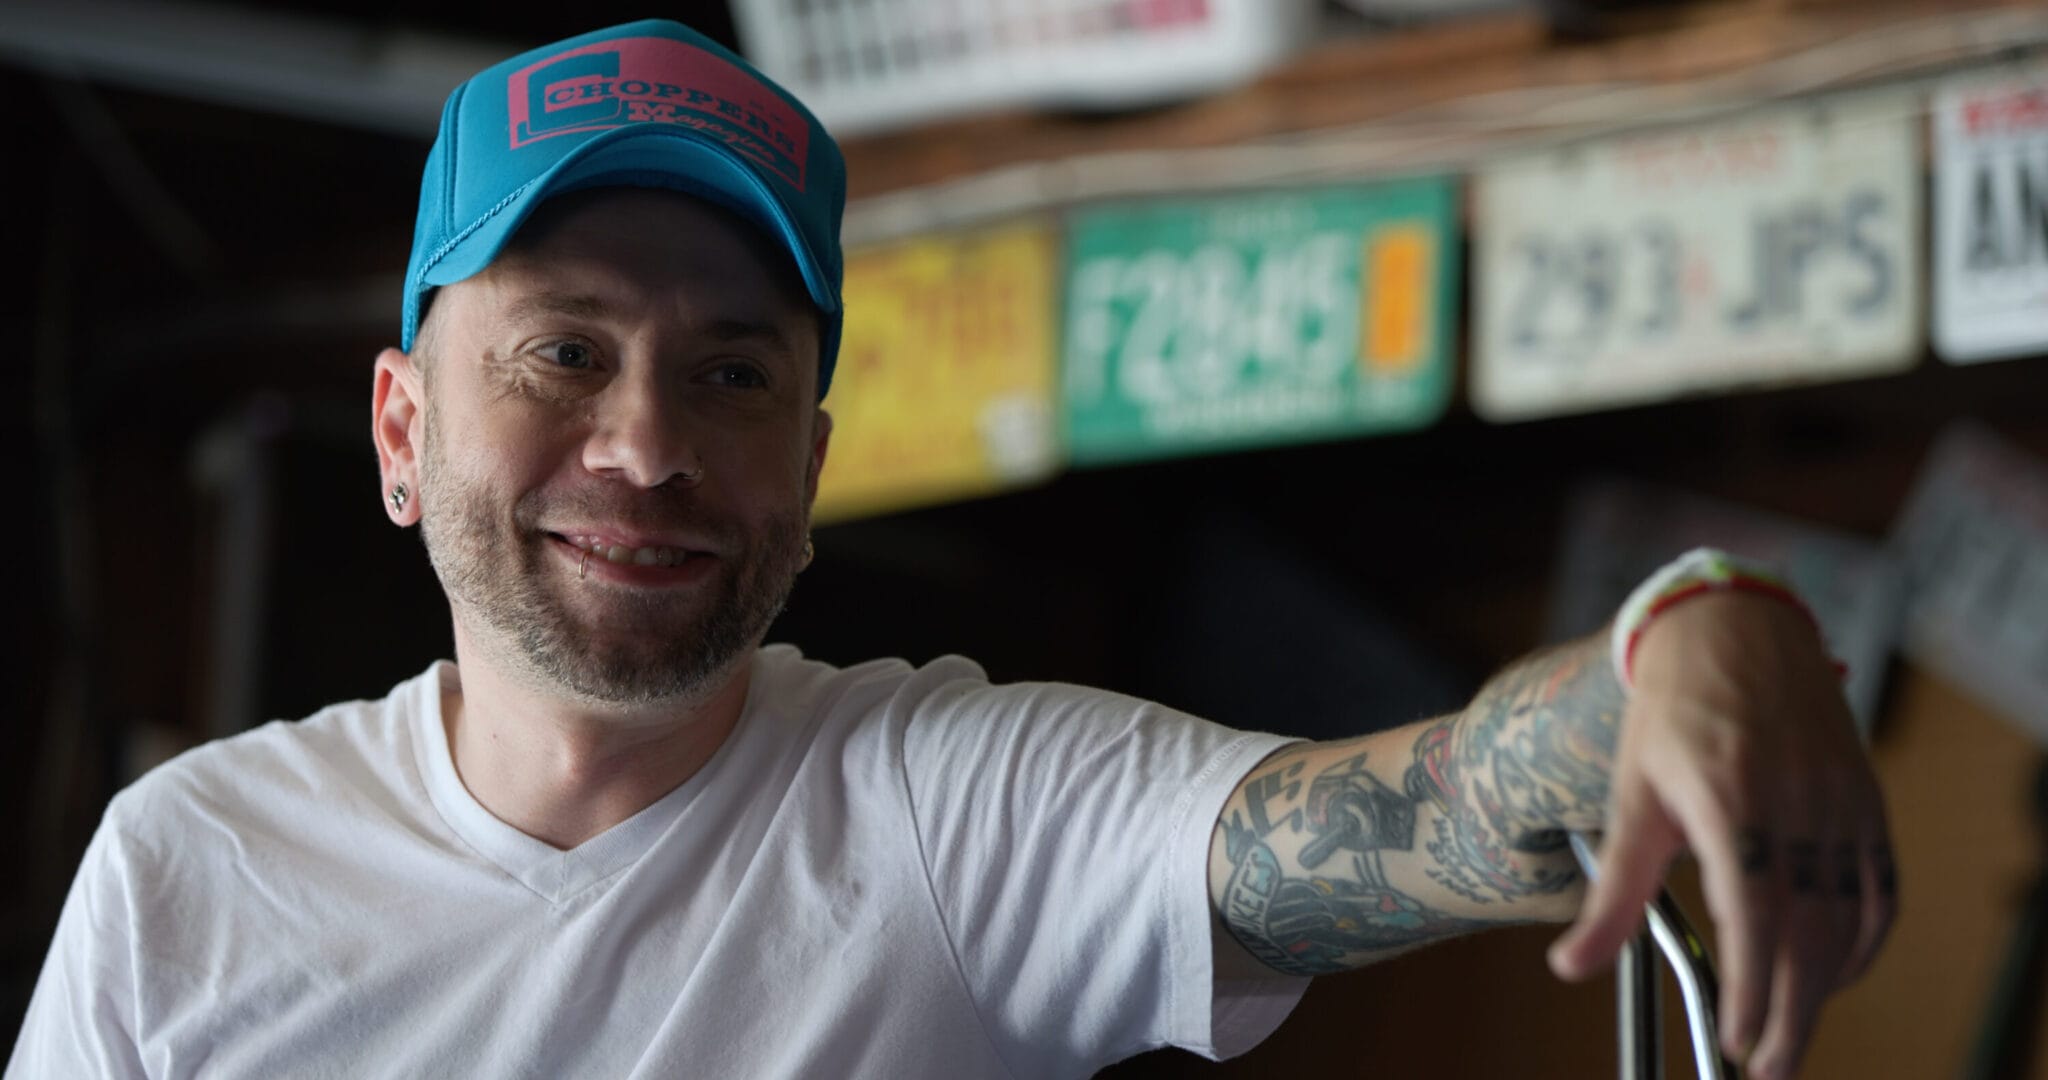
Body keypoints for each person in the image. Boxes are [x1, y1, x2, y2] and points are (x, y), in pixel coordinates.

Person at [7, 18, 1891, 1080]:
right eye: (566, 351)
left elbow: (1412, 813)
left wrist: (1689, 638)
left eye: (734, 373)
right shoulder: (192, 875)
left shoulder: (943, 805)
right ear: (405, 429)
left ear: (809, 470)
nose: (651, 445)